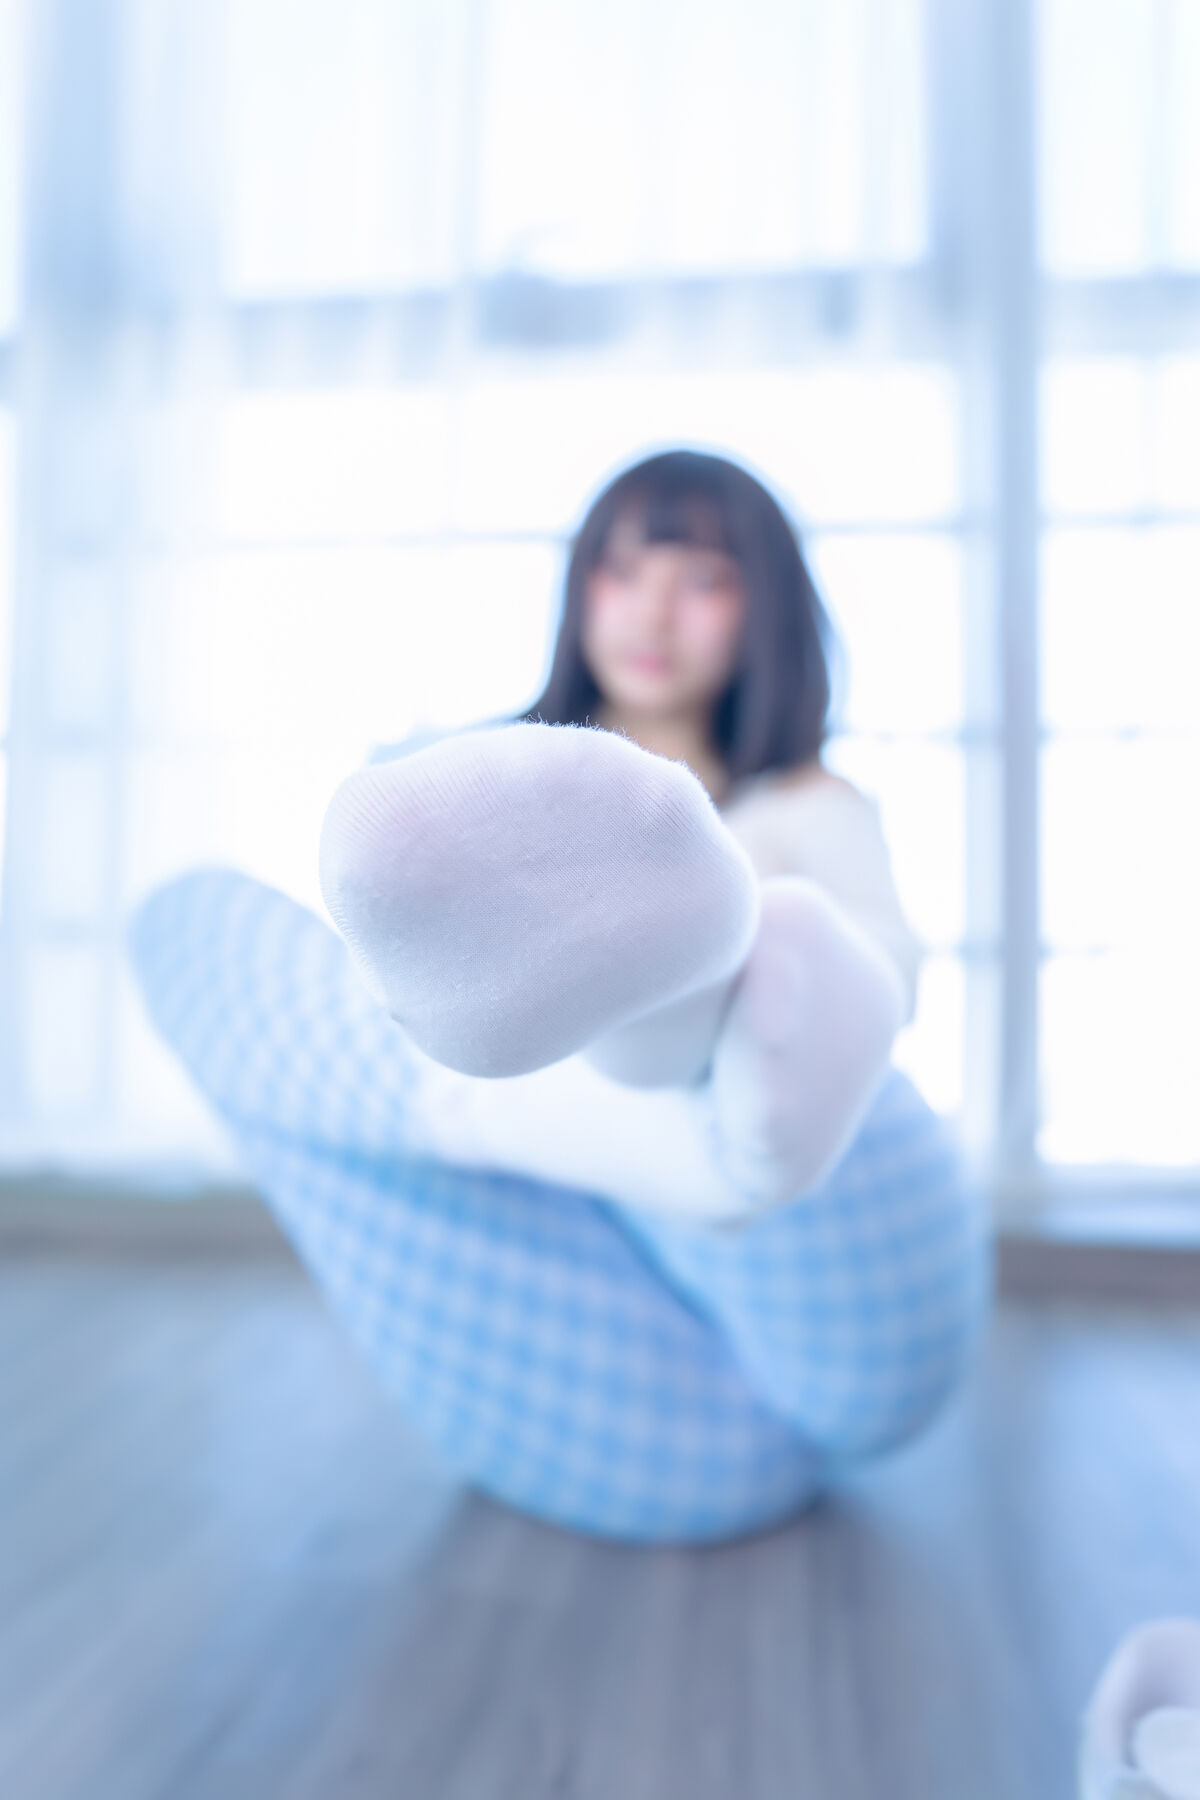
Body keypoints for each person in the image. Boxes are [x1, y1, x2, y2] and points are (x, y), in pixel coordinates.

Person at [129, 448, 992, 1546]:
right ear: (580, 587)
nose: (654, 612)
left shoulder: (810, 809)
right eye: (622, 571)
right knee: (188, 922)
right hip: (627, 1380)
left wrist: (768, 983)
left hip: (800, 1278)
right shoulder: (484, 787)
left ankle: (680, 1026)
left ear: (767, 610)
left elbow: (889, 978)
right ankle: (635, 1076)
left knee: (786, 970)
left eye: (704, 578)